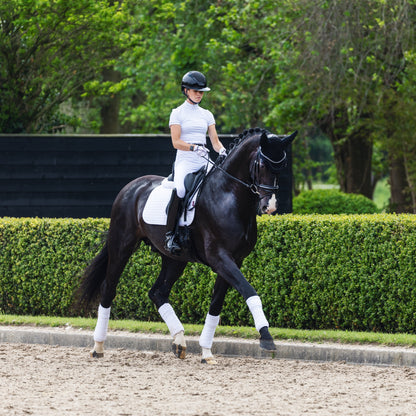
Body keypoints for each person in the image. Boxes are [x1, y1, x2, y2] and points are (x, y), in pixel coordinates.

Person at [165, 70, 227, 255]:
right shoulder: (177, 113)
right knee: (181, 190)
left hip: (204, 158)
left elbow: (214, 142)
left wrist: (222, 150)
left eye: (201, 91)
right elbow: (176, 142)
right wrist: (193, 147)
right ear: (185, 90)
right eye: (195, 90)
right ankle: (171, 234)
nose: (199, 94)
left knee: (218, 185)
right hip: (186, 160)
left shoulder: (207, 114)